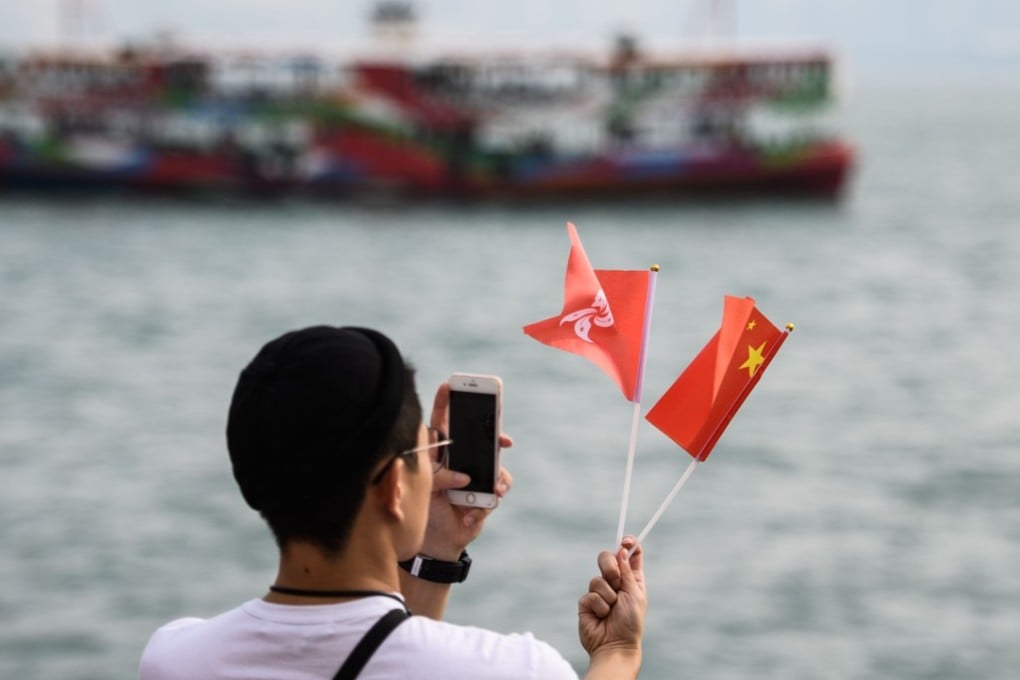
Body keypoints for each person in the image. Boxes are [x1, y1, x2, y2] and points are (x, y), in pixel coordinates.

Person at [139, 325, 646, 679]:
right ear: (389, 489)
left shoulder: (173, 659)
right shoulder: (515, 669)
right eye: (425, 451)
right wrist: (619, 653)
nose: (433, 465)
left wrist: (439, 548)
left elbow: (392, 652)